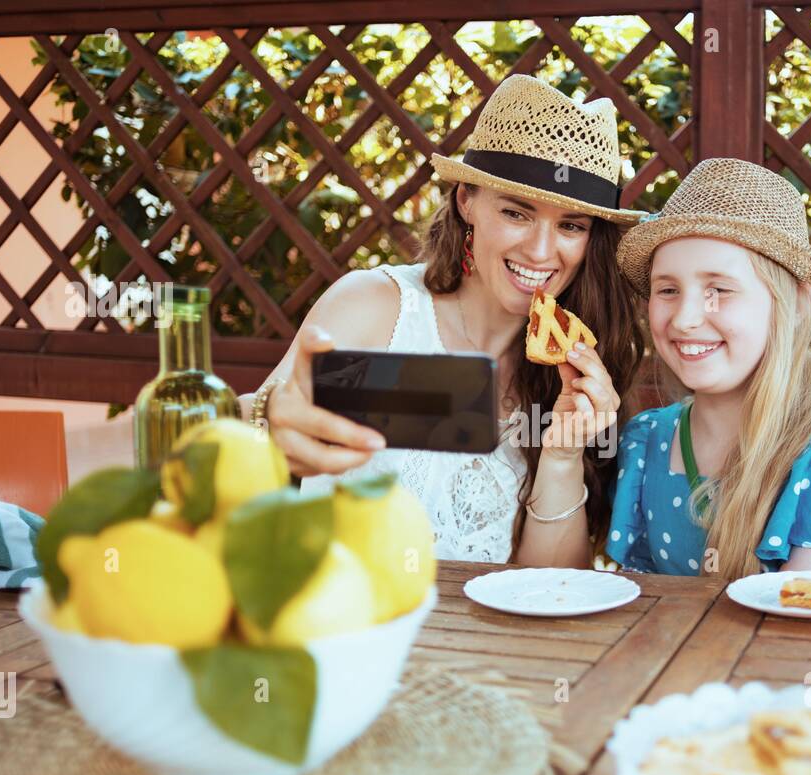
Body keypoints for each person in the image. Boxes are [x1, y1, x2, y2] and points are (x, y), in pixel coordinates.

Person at [239, 74, 646, 566]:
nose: (541, 250)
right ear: (466, 201)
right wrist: (268, 417)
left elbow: (548, 590)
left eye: (570, 226)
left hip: (480, 644)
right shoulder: (377, 309)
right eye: (517, 213)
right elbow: (256, 440)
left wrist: (560, 458)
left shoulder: (566, 379)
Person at [600, 157, 811, 579]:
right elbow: (646, 605)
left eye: (718, 289)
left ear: (797, 305)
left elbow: (804, 635)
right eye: (667, 289)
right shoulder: (647, 442)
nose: (684, 318)